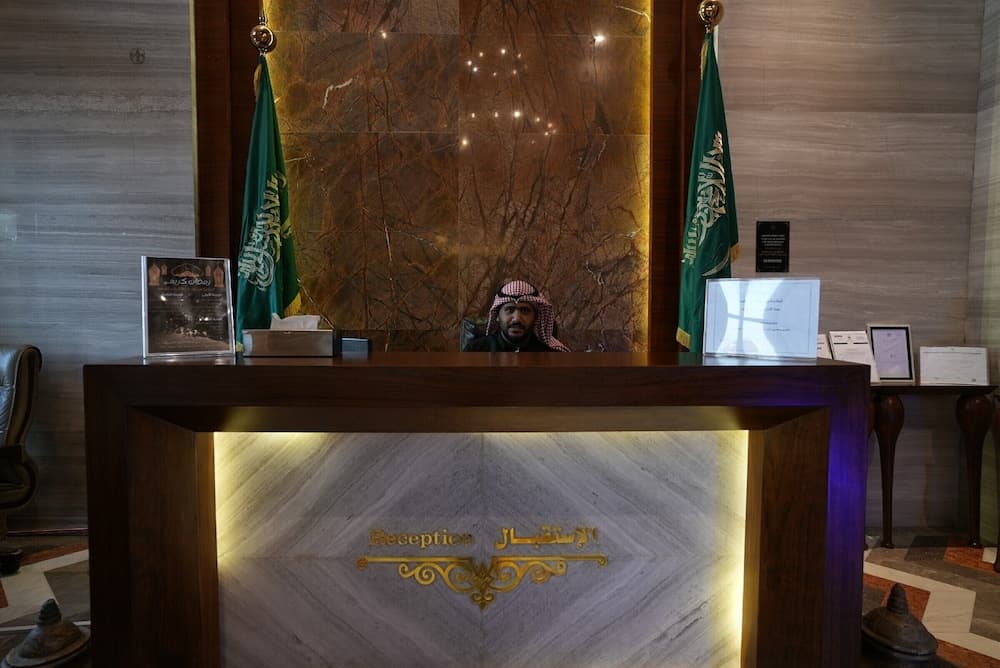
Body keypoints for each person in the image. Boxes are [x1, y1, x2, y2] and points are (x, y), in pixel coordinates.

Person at [463, 279, 570, 352]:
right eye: (509, 310)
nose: (517, 319)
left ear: (535, 317)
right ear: (497, 316)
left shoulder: (550, 353)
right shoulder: (476, 350)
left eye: (524, 310)